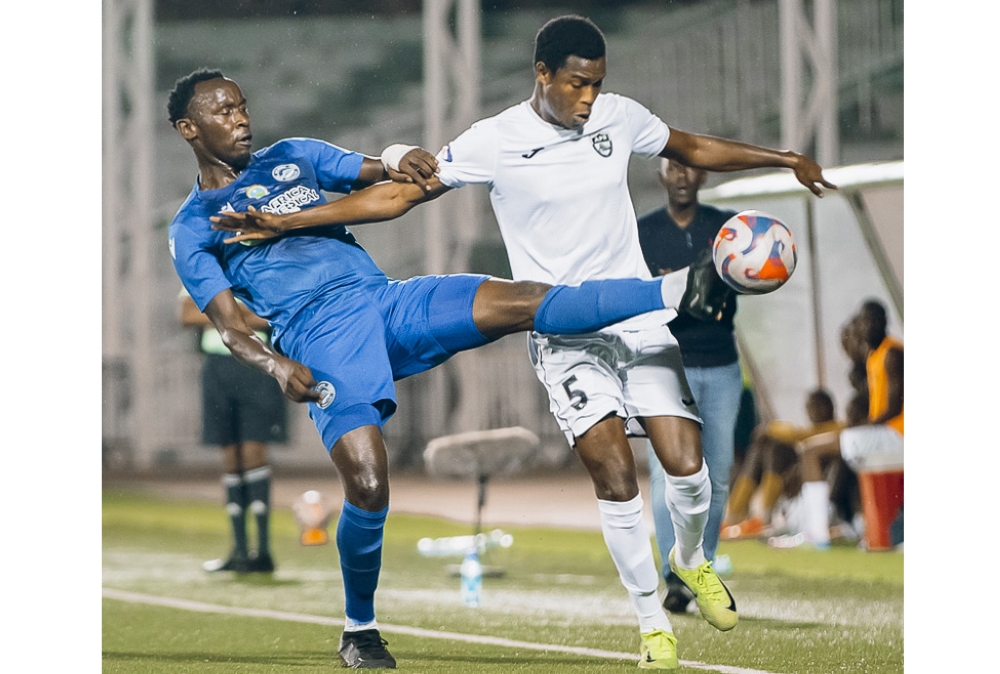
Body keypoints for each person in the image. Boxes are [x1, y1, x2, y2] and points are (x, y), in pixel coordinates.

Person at [212, 16, 836, 670]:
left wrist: (785, 158)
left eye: (596, 84)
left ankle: (691, 558)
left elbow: (691, 147)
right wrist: (291, 221)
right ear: (542, 75)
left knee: (689, 469)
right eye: (576, 84)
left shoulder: (619, 118)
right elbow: (397, 196)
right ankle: (652, 621)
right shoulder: (496, 139)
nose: (588, 97)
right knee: (613, 471)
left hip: (635, 318)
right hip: (561, 328)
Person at [635, 158, 742, 615]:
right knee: (667, 475)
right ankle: (673, 577)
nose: (680, 175)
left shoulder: (727, 229)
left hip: (721, 363)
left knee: (715, 476)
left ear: (704, 175)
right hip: (663, 362)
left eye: (689, 168)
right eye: (671, 167)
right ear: (660, 173)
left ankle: (701, 564)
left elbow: (753, 276)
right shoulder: (642, 231)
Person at [780, 300, 903, 549]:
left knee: (811, 451)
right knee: (823, 454)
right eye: (864, 321)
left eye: (872, 320)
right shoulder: (874, 356)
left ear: (883, 322)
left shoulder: (892, 353)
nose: (868, 326)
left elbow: (893, 408)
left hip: (897, 433)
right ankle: (853, 528)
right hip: (884, 432)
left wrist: (860, 426)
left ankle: (818, 532)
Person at [179, 289, 287, 573]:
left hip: (257, 363)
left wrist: (218, 313)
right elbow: (187, 313)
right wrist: (241, 316)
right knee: (229, 453)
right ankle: (238, 550)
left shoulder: (255, 270)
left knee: (254, 451)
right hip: (217, 368)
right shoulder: (204, 268)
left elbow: (271, 314)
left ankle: (262, 550)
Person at [721, 388, 845, 540]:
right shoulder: (810, 429)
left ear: (831, 407)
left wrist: (769, 428)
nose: (814, 411)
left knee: (777, 449)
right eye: (809, 407)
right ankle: (735, 515)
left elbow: (799, 435)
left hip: (817, 482)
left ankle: (761, 517)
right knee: (763, 448)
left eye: (818, 406)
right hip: (793, 476)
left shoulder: (839, 427)